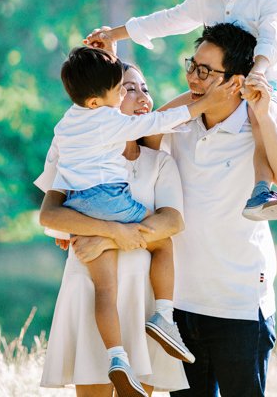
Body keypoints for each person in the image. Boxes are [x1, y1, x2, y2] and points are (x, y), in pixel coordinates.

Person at [86, 23, 277, 397]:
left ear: (236, 81)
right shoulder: (181, 120)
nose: (192, 77)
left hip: (238, 304)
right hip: (179, 307)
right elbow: (131, 128)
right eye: (192, 65)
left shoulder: (256, 127)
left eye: (205, 71)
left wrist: (263, 115)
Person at [48, 47, 232, 397]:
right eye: (126, 88)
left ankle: (135, 340)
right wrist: (206, 99)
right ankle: (159, 320)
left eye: (144, 88)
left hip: (137, 290)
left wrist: (107, 237)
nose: (137, 96)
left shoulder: (156, 161)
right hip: (89, 286)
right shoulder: (83, 148)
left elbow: (172, 222)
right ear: (101, 100)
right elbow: (52, 218)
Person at [85, 0, 277, 222]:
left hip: (260, 83)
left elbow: (270, 39)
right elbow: (168, 20)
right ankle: (120, 183)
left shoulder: (266, 0)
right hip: (217, 85)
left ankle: (262, 187)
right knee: (162, 118)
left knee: (256, 113)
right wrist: (114, 33)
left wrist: (259, 72)